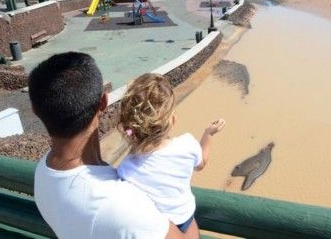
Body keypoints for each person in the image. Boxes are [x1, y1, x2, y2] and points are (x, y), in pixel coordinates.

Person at [30, 52, 197, 239]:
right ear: (103, 102)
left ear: (35, 110)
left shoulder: (42, 173)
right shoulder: (124, 207)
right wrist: (181, 195)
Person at [116, 74, 225, 233]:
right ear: (172, 121)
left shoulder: (124, 170)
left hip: (153, 231)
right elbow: (201, 163)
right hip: (185, 220)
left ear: (128, 128)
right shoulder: (187, 145)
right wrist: (208, 134)